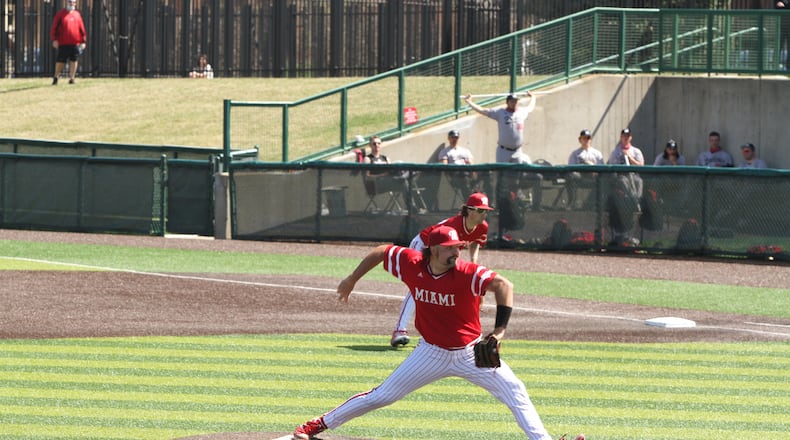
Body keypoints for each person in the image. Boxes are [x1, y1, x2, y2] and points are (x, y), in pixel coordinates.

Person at [293, 225, 554, 440]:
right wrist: (352, 279)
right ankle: (316, 425)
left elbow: (504, 285)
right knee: (383, 395)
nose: (457, 252)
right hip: (431, 353)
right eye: (451, 248)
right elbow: (382, 252)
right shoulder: (412, 263)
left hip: (470, 353)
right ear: (433, 249)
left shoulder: (467, 273)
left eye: (458, 247)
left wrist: (499, 331)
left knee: (514, 390)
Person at [390, 192, 494, 347]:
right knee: (419, 286)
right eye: (480, 210)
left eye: (486, 210)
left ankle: (436, 334)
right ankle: (400, 330)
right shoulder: (453, 225)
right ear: (470, 210)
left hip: (443, 251)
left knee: (443, 288)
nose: (484, 214)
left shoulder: (482, 227)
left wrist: (474, 263)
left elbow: (475, 242)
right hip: (423, 245)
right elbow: (439, 248)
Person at [463, 92, 537, 163]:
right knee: (501, 173)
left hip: (517, 151)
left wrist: (533, 97)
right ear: (507, 103)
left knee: (518, 173)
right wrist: (469, 102)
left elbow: (530, 107)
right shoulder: (500, 112)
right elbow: (483, 110)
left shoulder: (521, 112)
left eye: (515, 101)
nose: (514, 103)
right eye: (512, 102)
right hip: (503, 151)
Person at [50, 0, 86, 85]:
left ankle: (72, 78)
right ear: (67, 2)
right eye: (70, 2)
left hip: (75, 43)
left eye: (73, 2)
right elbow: (54, 27)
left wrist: (83, 41)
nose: (72, 3)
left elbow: (82, 29)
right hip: (63, 42)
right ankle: (56, 77)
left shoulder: (77, 14)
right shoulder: (60, 14)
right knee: (61, 61)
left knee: (74, 60)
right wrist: (54, 39)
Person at [566, 128, 604, 210]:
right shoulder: (575, 153)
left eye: (588, 138)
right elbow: (571, 168)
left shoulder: (597, 153)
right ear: (580, 140)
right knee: (571, 176)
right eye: (584, 138)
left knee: (603, 179)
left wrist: (595, 171)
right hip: (580, 177)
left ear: (590, 139)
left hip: (593, 177)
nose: (586, 140)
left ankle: (598, 205)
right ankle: (572, 202)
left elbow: (602, 168)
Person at [439, 129, 478, 197]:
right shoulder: (444, 152)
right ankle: (470, 201)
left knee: (488, 173)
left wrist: (473, 173)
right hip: (455, 176)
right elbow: (444, 166)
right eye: (452, 137)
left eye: (456, 137)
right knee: (464, 177)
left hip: (468, 173)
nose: (454, 139)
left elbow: (470, 163)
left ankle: (489, 202)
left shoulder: (465, 151)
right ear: (449, 138)